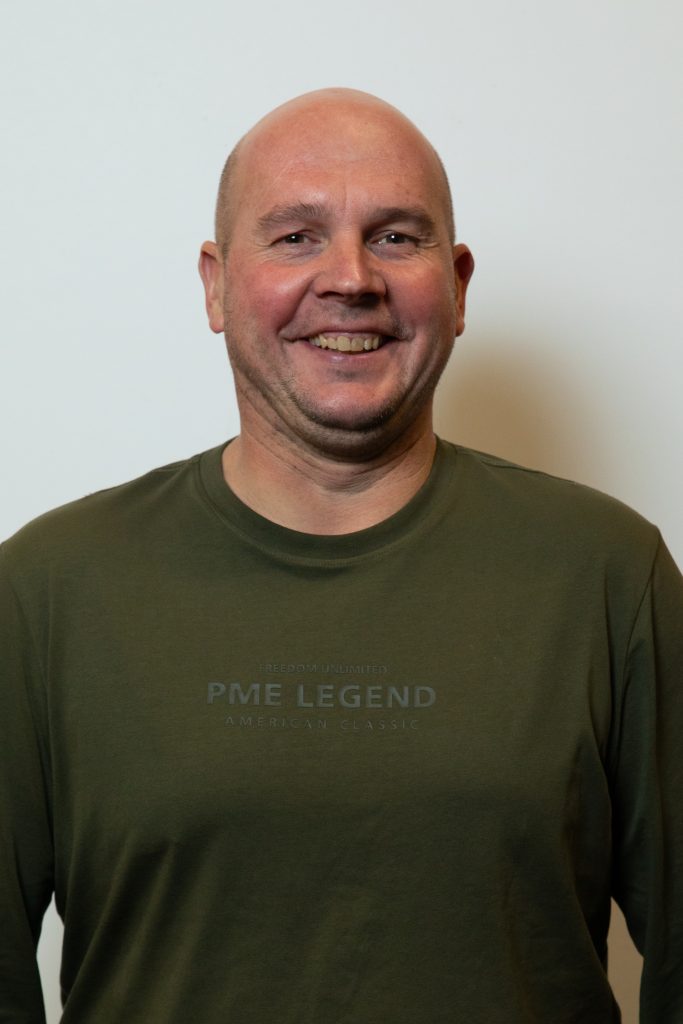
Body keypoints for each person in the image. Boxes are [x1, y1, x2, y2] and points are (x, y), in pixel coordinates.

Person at [0, 88, 681, 1023]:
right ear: (214, 285)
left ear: (458, 285)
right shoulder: (46, 591)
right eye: (296, 237)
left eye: (396, 237)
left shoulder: (609, 575)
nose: (351, 278)